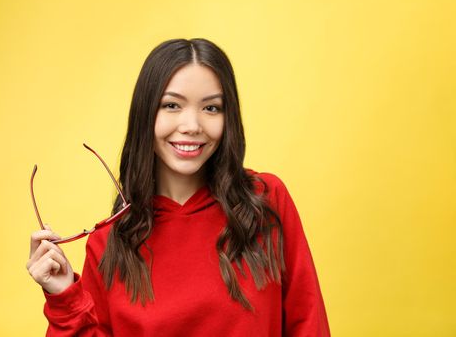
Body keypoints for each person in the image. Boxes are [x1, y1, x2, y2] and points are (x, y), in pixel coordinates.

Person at [26, 38, 330, 336]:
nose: (192, 125)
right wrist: (64, 295)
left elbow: (309, 321)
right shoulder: (108, 243)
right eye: (172, 105)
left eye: (211, 108)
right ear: (146, 114)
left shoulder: (264, 201)